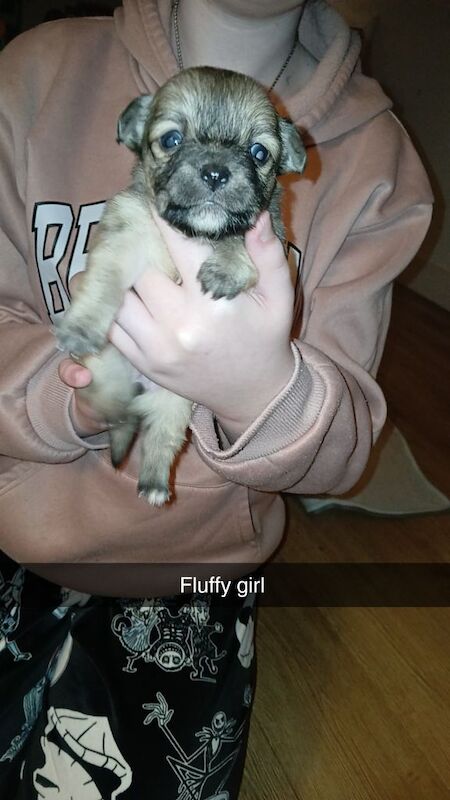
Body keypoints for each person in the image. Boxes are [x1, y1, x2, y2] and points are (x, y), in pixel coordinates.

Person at [0, 0, 432, 797]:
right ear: (138, 134)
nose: (211, 167)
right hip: (13, 513)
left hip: (199, 568)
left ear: (286, 160)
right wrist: (80, 396)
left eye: (257, 154)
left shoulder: (377, 162)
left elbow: (343, 449)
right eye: (173, 142)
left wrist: (260, 389)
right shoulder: (30, 75)